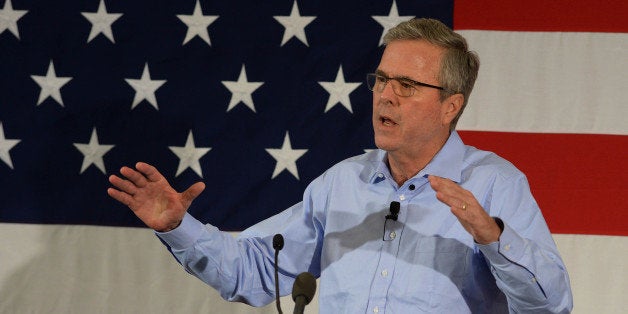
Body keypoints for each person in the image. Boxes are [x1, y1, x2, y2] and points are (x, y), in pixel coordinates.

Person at [108, 18, 573, 313]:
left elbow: (550, 305)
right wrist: (178, 226)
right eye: (383, 79)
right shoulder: (343, 183)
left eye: (407, 85)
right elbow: (254, 270)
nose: (385, 95)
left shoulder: (492, 185)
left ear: (450, 106)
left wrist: (493, 237)